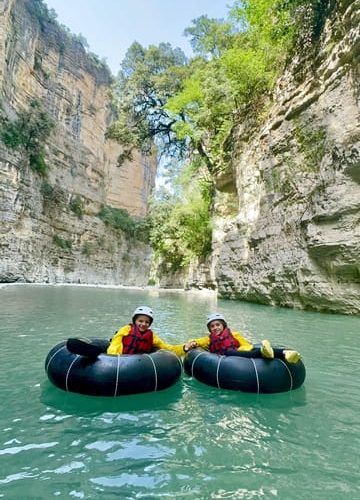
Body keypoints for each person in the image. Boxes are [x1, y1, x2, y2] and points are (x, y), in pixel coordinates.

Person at [67, 305, 189, 358]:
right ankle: (89, 350)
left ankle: (95, 353)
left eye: (147, 322)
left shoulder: (152, 337)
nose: (143, 324)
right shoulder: (126, 329)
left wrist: (184, 348)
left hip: (136, 360)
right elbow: (115, 343)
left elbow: (167, 347)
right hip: (118, 355)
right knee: (103, 348)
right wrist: (112, 358)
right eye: (140, 321)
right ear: (135, 321)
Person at [184, 312, 301, 363]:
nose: (215, 328)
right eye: (212, 326)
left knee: (251, 350)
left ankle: (286, 353)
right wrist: (191, 343)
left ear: (223, 325)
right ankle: (266, 352)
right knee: (231, 352)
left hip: (236, 353)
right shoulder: (209, 339)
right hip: (226, 357)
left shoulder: (234, 335)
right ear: (210, 329)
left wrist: (241, 350)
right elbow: (197, 342)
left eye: (218, 325)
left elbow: (246, 345)